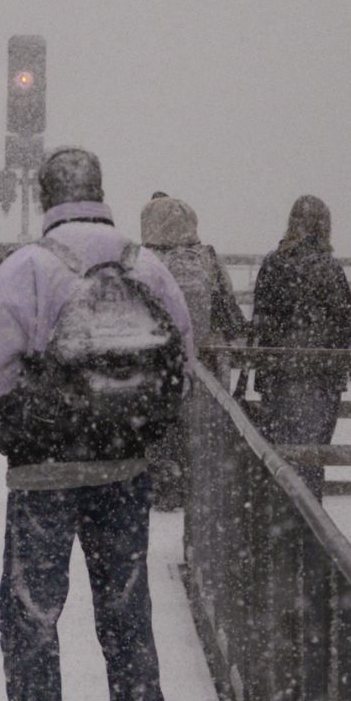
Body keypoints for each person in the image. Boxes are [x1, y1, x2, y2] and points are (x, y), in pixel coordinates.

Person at [0, 147, 195, 701]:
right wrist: (133, 421)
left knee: (32, 610)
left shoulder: (30, 267)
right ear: (100, 191)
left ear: (45, 197)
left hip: (46, 475)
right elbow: (183, 359)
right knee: (125, 604)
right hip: (124, 467)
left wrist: (21, 422)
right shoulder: (144, 264)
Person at [250, 195, 351, 500]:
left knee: (282, 454)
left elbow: (261, 321)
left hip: (279, 373)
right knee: (312, 456)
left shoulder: (273, 263)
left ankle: (283, 521)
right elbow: (346, 323)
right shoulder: (328, 268)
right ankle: (310, 526)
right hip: (321, 375)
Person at [140, 195, 248, 509]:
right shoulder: (207, 259)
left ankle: (161, 487)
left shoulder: (142, 261)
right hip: (203, 363)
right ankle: (194, 489)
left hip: (156, 365)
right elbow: (230, 314)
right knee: (199, 429)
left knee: (160, 428)